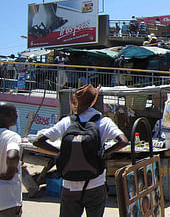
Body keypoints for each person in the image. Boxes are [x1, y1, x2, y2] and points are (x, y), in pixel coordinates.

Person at [34, 84, 128, 217]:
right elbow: (123, 141)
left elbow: (38, 141)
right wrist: (103, 154)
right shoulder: (104, 122)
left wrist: (60, 153)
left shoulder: (67, 122)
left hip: (70, 186)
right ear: (94, 102)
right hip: (95, 184)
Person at [0, 103, 22, 216]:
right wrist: (8, 173)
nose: (17, 117)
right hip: (7, 200)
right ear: (9, 115)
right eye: (15, 115)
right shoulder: (11, 136)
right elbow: (12, 156)